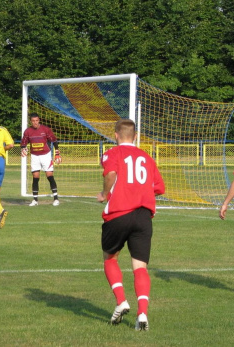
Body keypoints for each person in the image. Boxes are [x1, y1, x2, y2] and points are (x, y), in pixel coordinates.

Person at [96, 119, 165, 331]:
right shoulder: (147, 158)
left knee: (110, 258)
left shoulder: (112, 153)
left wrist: (105, 193)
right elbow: (159, 187)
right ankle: (142, 313)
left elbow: (111, 173)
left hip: (119, 214)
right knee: (140, 267)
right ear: (135, 136)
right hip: (143, 216)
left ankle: (121, 301)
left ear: (116, 135)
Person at [20, 113, 62, 206]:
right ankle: (35, 200)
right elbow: (23, 143)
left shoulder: (45, 129)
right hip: (34, 156)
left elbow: (54, 141)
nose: (35, 122)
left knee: (49, 176)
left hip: (46, 155)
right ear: (31, 121)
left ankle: (56, 199)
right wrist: (23, 149)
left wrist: (57, 153)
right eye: (33, 121)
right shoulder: (27, 131)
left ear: (39, 120)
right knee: (35, 177)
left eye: (36, 120)